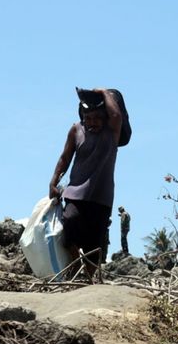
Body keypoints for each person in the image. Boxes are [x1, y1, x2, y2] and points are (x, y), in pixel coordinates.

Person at [49, 88, 123, 276]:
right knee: (70, 224)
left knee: (94, 243)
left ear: (104, 118)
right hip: (76, 192)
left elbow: (115, 114)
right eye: (88, 118)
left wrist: (104, 92)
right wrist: (53, 181)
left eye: (97, 118)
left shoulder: (112, 132)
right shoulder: (76, 130)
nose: (92, 122)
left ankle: (88, 279)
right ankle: (75, 264)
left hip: (102, 196)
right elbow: (65, 158)